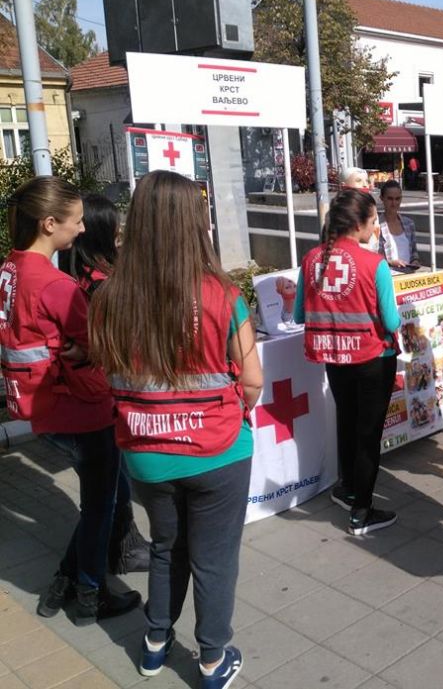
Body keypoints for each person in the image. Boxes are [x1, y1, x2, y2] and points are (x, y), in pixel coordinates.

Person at [89, 170, 262, 687]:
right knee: (213, 559)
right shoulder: (222, 295)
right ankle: (211, 660)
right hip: (218, 450)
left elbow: (107, 373)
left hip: (145, 453)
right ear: (193, 224)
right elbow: (252, 380)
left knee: (167, 547)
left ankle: (154, 644)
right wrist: (234, 407)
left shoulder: (108, 298)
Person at [0, 177, 141, 626]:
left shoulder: (9, 270)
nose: (82, 229)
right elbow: (102, 347)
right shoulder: (56, 286)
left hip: (39, 409)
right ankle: (89, 595)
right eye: (76, 221)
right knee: (100, 507)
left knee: (106, 496)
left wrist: (75, 348)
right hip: (82, 410)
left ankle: (64, 579)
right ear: (48, 224)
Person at [295, 188, 401, 535]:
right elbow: (392, 322)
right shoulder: (375, 263)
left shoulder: (312, 259)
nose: (376, 227)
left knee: (347, 422)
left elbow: (299, 315)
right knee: (368, 435)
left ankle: (348, 489)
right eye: (373, 221)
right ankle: (361, 513)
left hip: (334, 357)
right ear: (359, 224)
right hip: (373, 358)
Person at [67, 193, 151, 575]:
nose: (121, 231)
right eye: (115, 226)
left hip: (90, 395)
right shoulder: (103, 284)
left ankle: (121, 546)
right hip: (109, 394)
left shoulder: (79, 274)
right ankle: (99, 568)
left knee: (108, 483)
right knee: (108, 488)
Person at [376, 180, 420, 271]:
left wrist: (415, 262)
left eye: (397, 199)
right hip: (388, 274)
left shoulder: (409, 224)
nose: (394, 203)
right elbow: (374, 256)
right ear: (382, 198)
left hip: (409, 275)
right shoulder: (377, 225)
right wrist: (390, 262)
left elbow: (414, 252)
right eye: (390, 199)